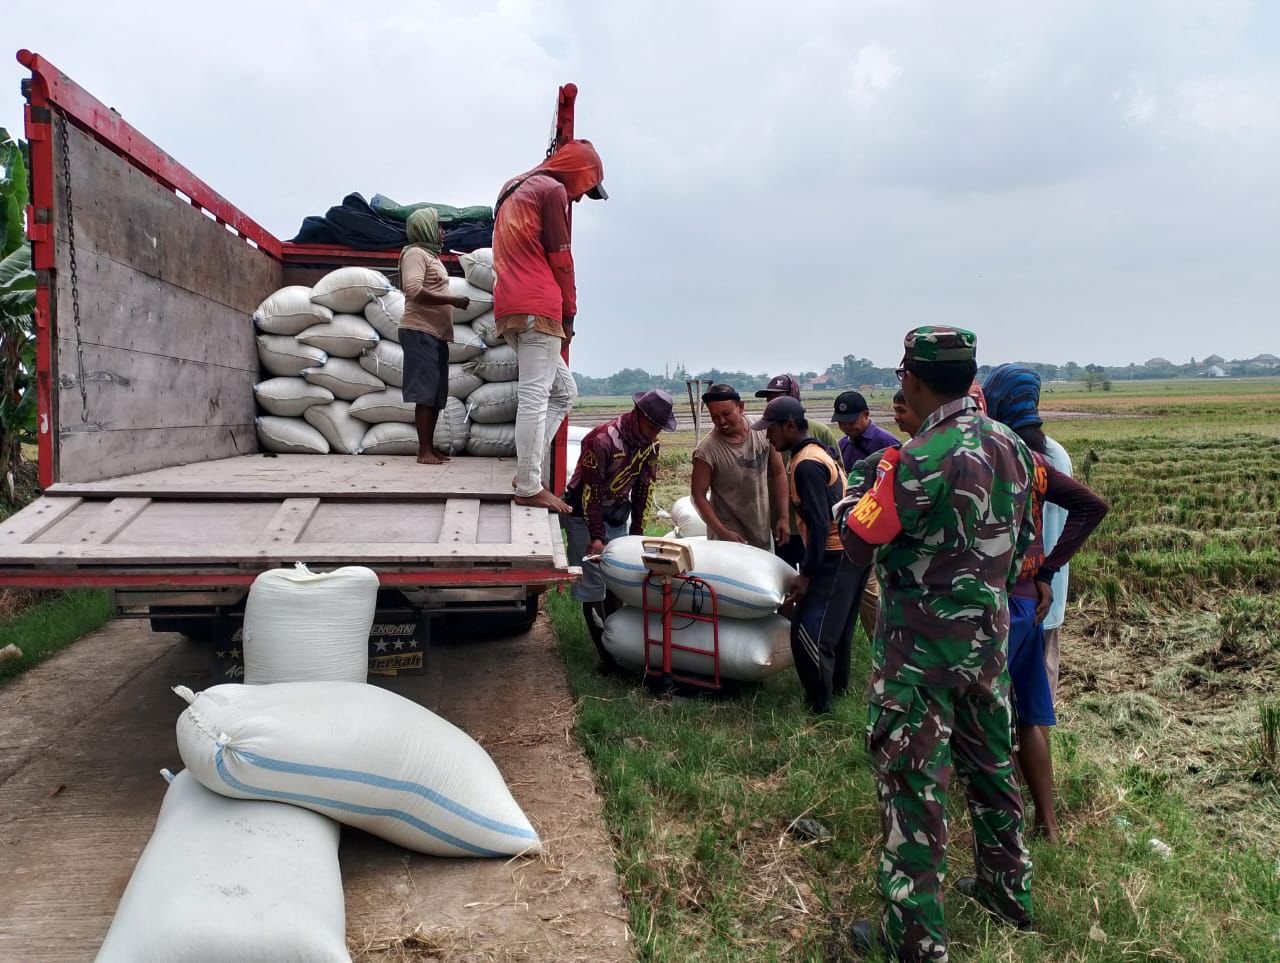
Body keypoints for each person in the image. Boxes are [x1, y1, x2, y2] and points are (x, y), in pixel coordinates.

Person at [838, 326, 1037, 961]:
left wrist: (854, 496)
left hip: (918, 657)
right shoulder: (1013, 446)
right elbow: (1021, 543)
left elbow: (859, 541)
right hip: (987, 647)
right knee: (993, 772)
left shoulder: (914, 460)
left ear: (912, 378)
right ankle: (1009, 896)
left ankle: (915, 939)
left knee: (914, 789)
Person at [983, 365, 1109, 842]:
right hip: (1035, 598)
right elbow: (1090, 506)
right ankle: (1047, 822)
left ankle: (1004, 818)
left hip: (1007, 600)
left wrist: (1044, 570)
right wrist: (1046, 572)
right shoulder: (1045, 456)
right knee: (1032, 712)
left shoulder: (1003, 457)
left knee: (993, 713)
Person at [492, 139, 607, 512]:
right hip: (539, 307)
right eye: (586, 189)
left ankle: (525, 471)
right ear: (578, 173)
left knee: (564, 392)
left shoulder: (513, 187)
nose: (580, 198)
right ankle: (528, 486)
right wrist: (570, 312)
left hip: (509, 304)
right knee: (535, 397)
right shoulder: (553, 190)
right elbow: (562, 259)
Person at [755, 397, 868, 713]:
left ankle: (819, 705)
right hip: (852, 551)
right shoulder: (818, 452)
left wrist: (806, 573)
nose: (768, 436)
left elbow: (819, 523)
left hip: (835, 554)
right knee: (838, 627)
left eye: (772, 429)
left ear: (790, 425)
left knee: (809, 630)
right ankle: (837, 688)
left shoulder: (806, 465)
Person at [563, 390, 676, 669]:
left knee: (619, 577)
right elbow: (591, 493)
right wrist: (597, 536)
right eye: (653, 425)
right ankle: (605, 656)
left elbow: (644, 489)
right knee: (594, 585)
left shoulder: (651, 445)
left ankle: (619, 642)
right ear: (638, 415)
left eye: (659, 428)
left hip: (616, 513)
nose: (655, 432)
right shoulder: (601, 440)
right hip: (584, 514)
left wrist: (637, 533)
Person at [981, 366, 1070, 698]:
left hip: (1020, 588)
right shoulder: (1055, 452)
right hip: (1045, 586)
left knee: (1011, 684)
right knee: (1039, 680)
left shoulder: (1008, 453)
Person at [398, 208, 472, 465]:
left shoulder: (431, 256)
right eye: (439, 227)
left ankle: (430, 446)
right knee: (425, 392)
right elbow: (413, 290)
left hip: (435, 333)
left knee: (436, 394)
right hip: (420, 330)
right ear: (425, 228)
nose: (443, 232)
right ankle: (424, 450)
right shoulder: (415, 254)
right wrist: (452, 300)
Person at [690, 384, 788, 551]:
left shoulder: (762, 429)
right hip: (727, 539)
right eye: (715, 417)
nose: (721, 422)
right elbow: (698, 496)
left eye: (726, 414)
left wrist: (783, 517)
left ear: (741, 407)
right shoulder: (706, 451)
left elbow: (778, 473)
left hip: (761, 529)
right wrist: (722, 532)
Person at [756, 373, 841, 567]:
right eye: (770, 400)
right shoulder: (772, 436)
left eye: (779, 398)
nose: (773, 403)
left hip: (817, 531)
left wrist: (807, 573)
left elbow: (837, 479)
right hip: (781, 523)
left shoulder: (814, 443)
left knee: (810, 573)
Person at [831, 390, 901, 473]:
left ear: (866, 414)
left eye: (851, 422)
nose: (846, 427)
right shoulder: (843, 444)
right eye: (841, 423)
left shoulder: (888, 443)